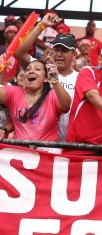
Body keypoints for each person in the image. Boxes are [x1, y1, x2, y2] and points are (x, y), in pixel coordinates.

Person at [14, 13, 79, 142]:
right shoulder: (40, 71)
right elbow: (19, 53)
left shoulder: (81, 78)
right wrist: (41, 25)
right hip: (43, 144)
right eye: (56, 49)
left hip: (70, 144)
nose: (59, 54)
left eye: (65, 50)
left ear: (74, 55)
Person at [0, 60, 70, 143]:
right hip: (19, 149)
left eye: (37, 69)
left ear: (46, 78)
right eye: (28, 69)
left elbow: (66, 106)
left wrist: (55, 82)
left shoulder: (52, 95)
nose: (31, 71)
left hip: (46, 149)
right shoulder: (14, 93)